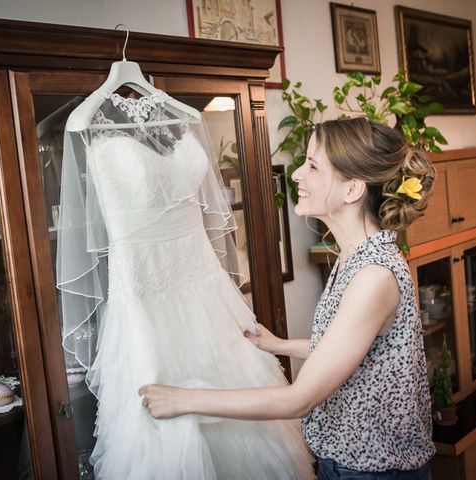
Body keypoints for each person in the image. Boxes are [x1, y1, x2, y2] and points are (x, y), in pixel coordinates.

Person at [140, 117, 437, 479]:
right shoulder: (354, 255)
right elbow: (345, 349)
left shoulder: (373, 277)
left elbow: (300, 399)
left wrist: (184, 400)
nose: (297, 175)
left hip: (371, 472)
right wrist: (277, 344)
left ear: (352, 189)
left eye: (312, 166)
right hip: (352, 465)